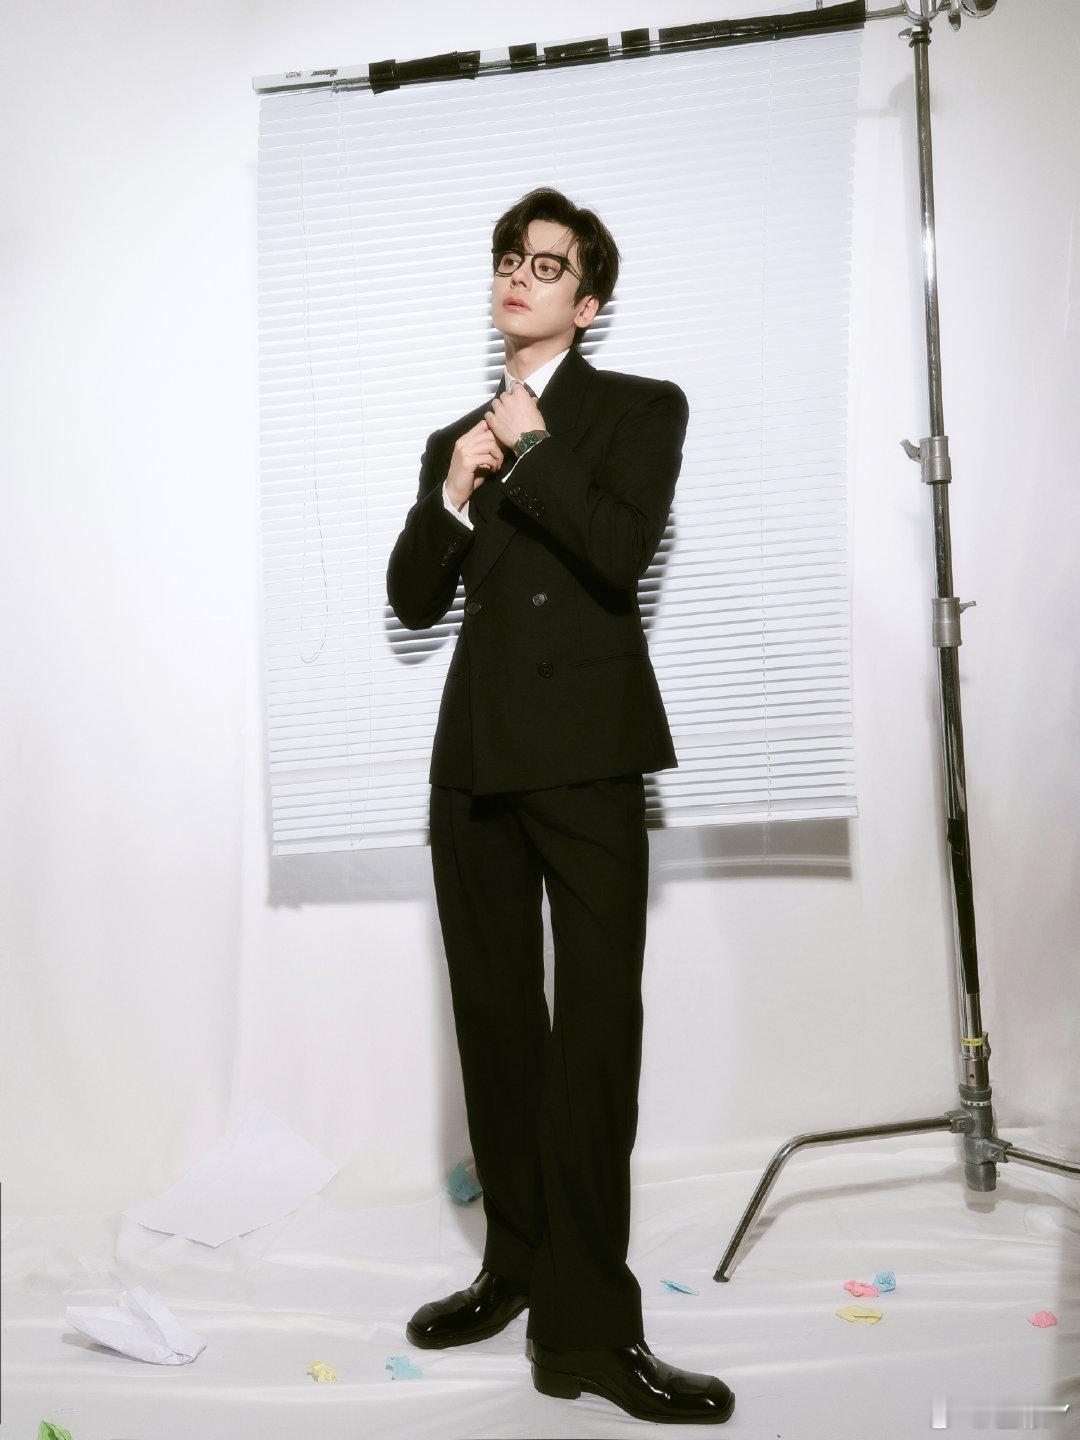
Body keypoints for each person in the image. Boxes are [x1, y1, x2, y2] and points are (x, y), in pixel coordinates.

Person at [386, 187, 734, 1426]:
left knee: (593, 1039)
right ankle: (517, 1265)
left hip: (587, 760)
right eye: (508, 260)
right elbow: (411, 600)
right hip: (474, 764)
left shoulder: (641, 408)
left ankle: (586, 1331)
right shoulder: (457, 435)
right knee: (494, 1026)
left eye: (546, 265)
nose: (518, 276)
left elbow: (620, 551)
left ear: (588, 303)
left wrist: (533, 452)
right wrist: (453, 491)